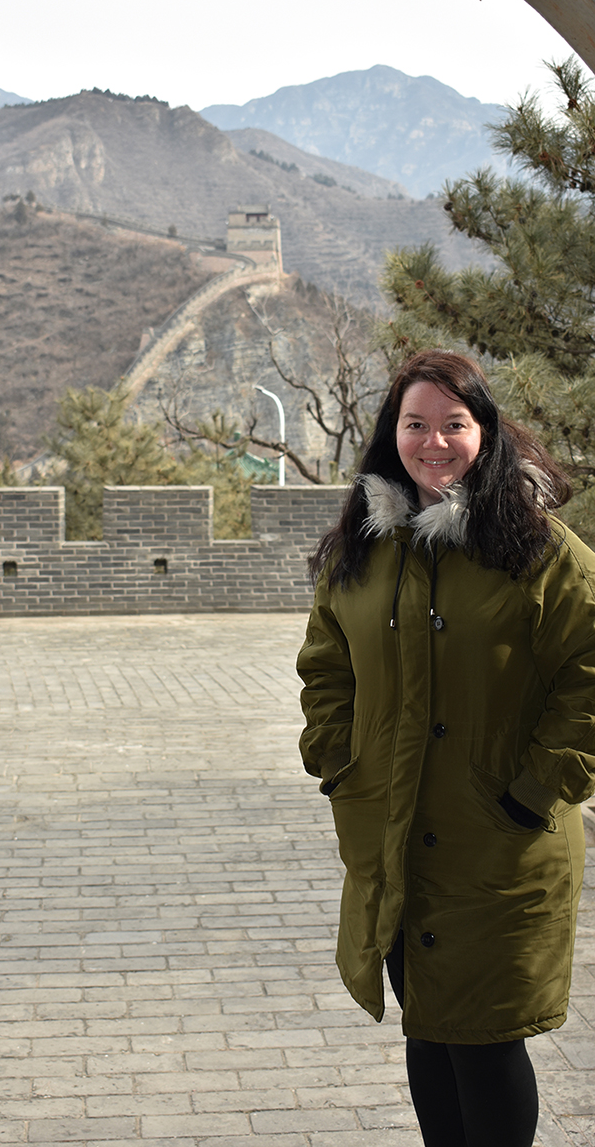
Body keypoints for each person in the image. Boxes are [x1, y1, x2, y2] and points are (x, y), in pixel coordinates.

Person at [296, 349, 595, 1147]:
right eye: (415, 424)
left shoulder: (538, 550)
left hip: (499, 844)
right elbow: (326, 664)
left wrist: (535, 791)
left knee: (485, 1040)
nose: (434, 442)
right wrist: (337, 759)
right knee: (428, 1028)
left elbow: (590, 676)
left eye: (453, 424)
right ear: (390, 434)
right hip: (393, 837)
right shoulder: (362, 551)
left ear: (484, 431)